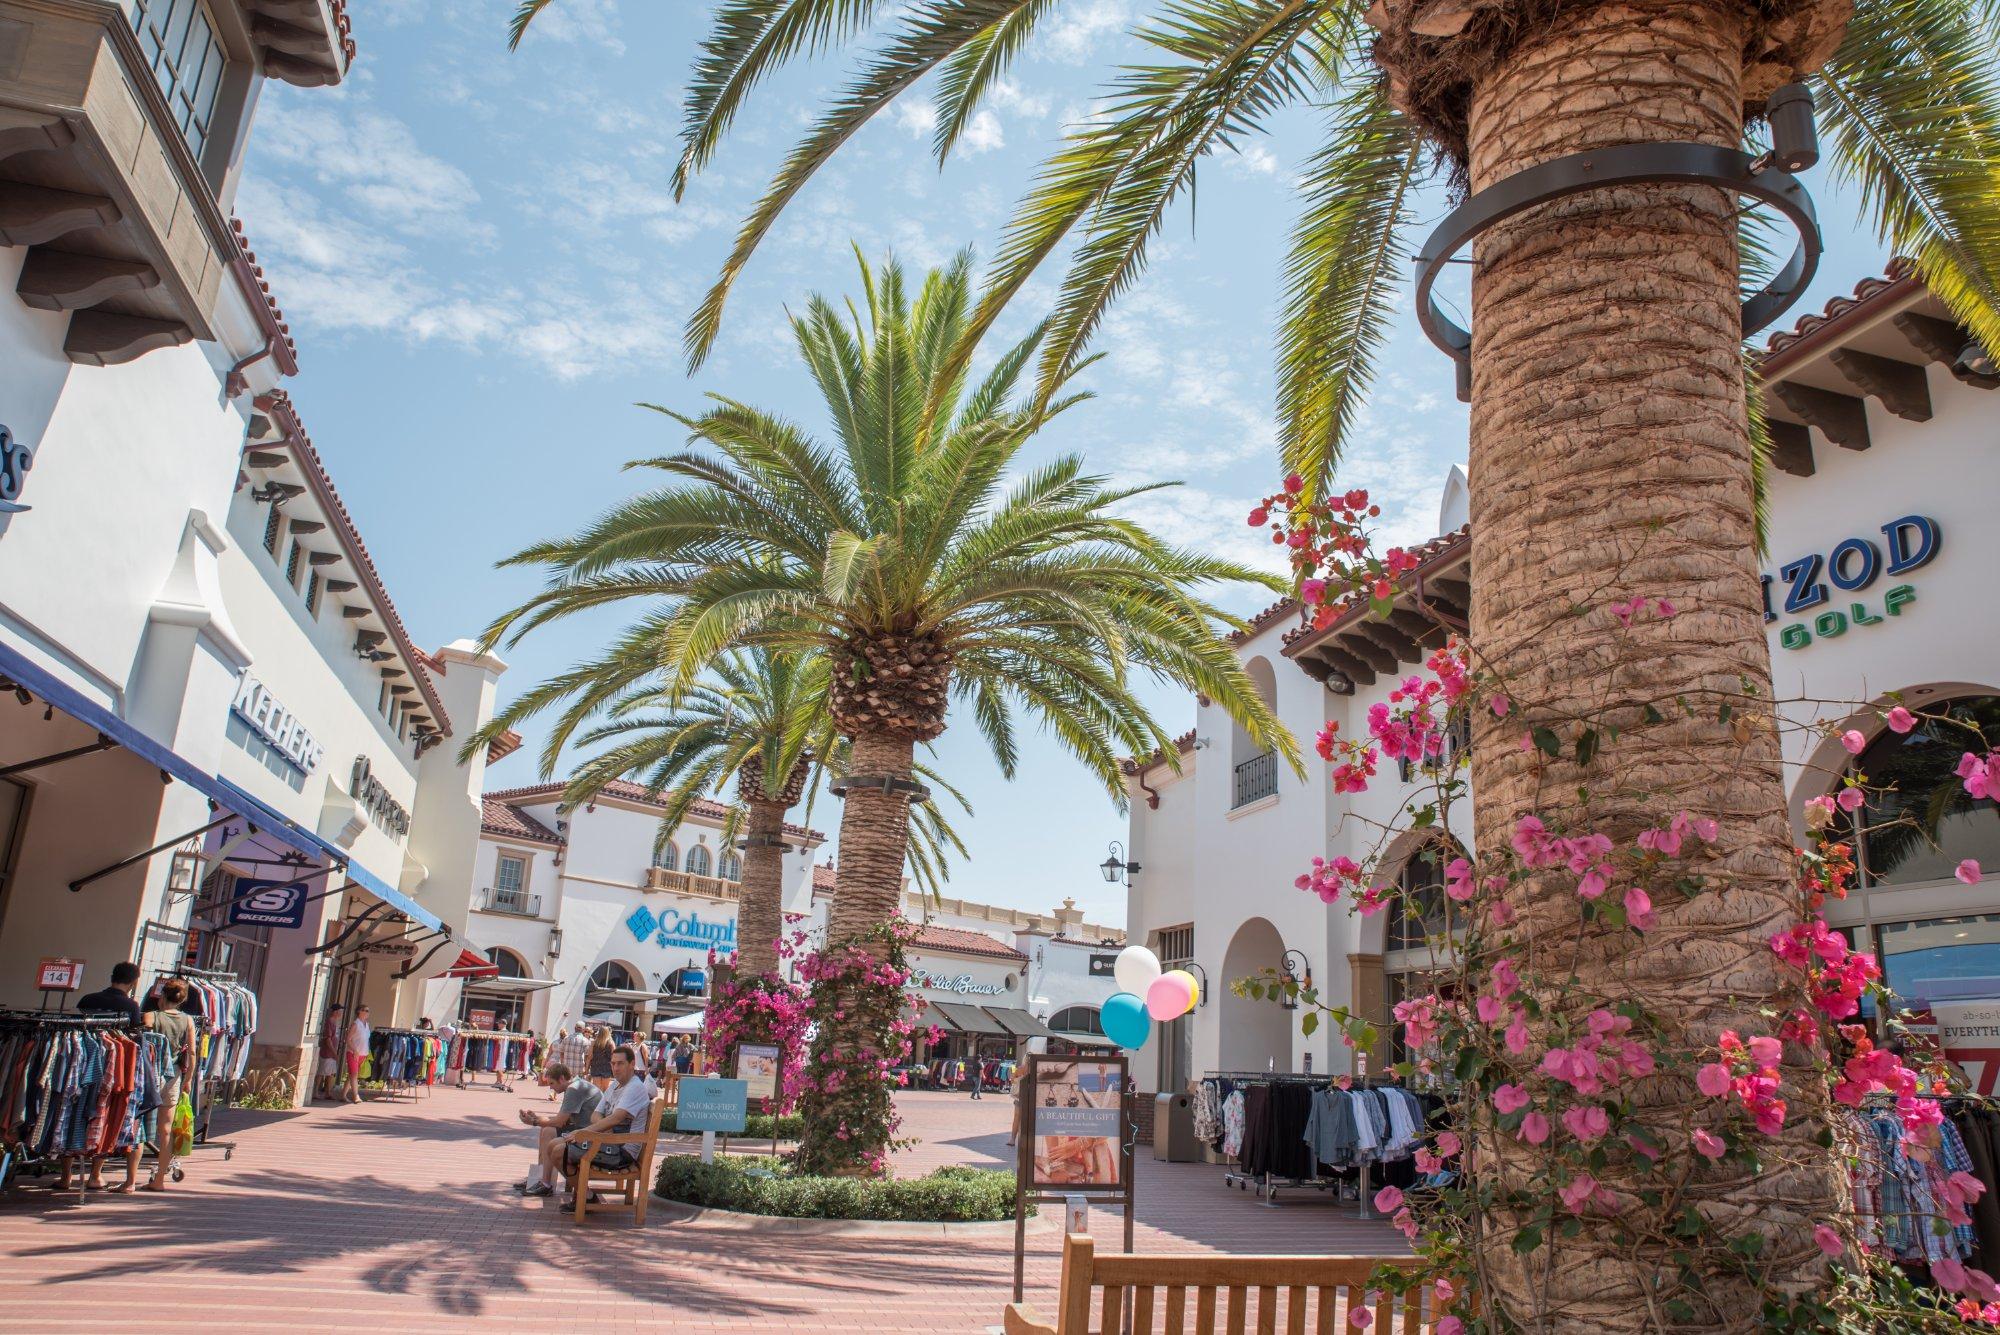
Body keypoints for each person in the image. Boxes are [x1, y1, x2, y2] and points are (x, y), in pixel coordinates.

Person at [528, 1044, 650, 1207]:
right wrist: (604, 1128)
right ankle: (585, 1195)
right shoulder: (615, 1085)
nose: (615, 1068)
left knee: (558, 1151)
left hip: (622, 1150)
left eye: (620, 1063)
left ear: (632, 1064)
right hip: (608, 1141)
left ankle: (587, 1197)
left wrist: (583, 1132)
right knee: (553, 1145)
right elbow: (596, 1114)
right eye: (613, 1063)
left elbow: (616, 1118)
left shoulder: (635, 1087)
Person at [72, 963, 144, 1192]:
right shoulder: (131, 1005)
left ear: (112, 976)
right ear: (133, 983)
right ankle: (95, 1174)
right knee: (103, 1114)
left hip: (80, 1061)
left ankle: (65, 1175)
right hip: (113, 1065)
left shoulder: (88, 1000)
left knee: (74, 1111)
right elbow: (133, 1035)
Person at [142, 978, 197, 1192]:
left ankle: (129, 1179)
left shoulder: (150, 1017)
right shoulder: (188, 1021)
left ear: (162, 996)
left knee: (139, 1125)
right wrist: (189, 1079)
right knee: (166, 1129)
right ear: (182, 1000)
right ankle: (159, 1180)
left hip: (148, 1074)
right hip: (173, 1076)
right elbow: (191, 1053)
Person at [512, 1062, 595, 1193]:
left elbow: (559, 1122)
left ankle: (545, 1184)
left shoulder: (574, 1089)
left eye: (552, 1083)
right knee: (545, 1129)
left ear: (561, 1078)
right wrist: (536, 1119)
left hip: (588, 1136)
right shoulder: (575, 1085)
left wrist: (534, 1122)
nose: (551, 1088)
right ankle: (540, 1179)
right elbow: (561, 1120)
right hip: (582, 1130)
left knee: (548, 1131)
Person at [340, 1003, 372, 1104]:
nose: (368, 1013)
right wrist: (355, 1050)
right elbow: (348, 1039)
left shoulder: (367, 1025)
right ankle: (356, 1096)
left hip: (363, 1054)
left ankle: (343, 1095)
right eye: (366, 1010)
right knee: (354, 1075)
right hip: (353, 1053)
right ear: (359, 1012)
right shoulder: (356, 1024)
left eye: (368, 1011)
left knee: (351, 1076)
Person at [314, 1004, 346, 1102]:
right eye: (340, 1011)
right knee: (322, 1072)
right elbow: (328, 1039)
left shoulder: (335, 1022)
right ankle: (315, 1092)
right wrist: (333, 1052)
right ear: (335, 1012)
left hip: (332, 1052)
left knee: (330, 1073)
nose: (341, 1013)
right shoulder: (329, 1022)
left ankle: (328, 1092)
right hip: (327, 1052)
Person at [586, 1025, 615, 1091]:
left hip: (595, 1067)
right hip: (607, 1068)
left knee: (596, 1090)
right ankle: (603, 1101)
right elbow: (614, 1058)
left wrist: (587, 1069)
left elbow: (589, 1057)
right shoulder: (611, 1043)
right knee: (605, 1090)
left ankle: (597, 1101)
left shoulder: (593, 1043)